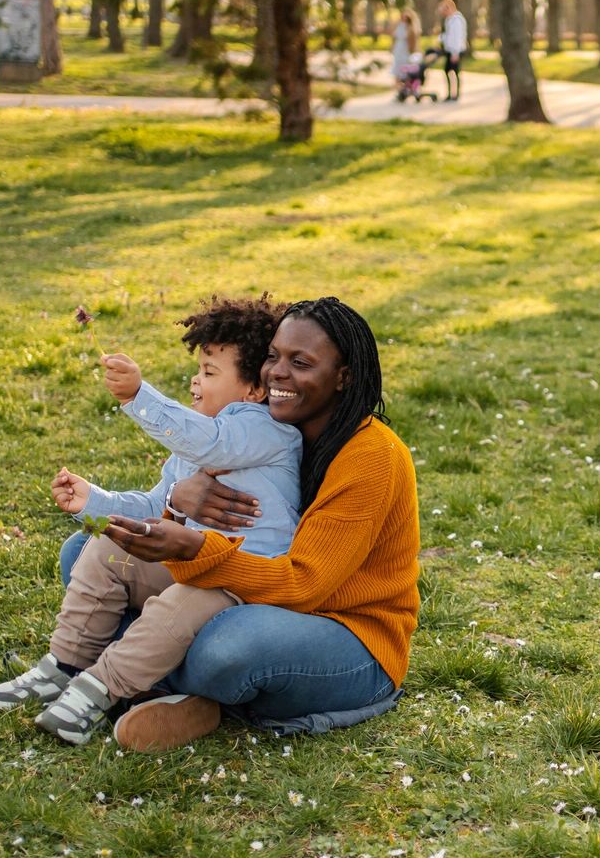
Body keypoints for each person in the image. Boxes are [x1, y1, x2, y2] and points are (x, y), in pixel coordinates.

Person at [78, 297, 419, 753]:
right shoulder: (270, 429)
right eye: (273, 357)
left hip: (345, 633)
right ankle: (177, 692)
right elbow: (183, 520)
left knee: (227, 649)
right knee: (88, 555)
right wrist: (179, 503)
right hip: (254, 599)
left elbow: (304, 585)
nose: (276, 372)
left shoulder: (371, 456)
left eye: (300, 362)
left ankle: (141, 670)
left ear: (344, 377)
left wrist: (193, 550)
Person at [0, 296, 300, 746]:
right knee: (108, 549)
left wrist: (139, 396)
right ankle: (64, 665)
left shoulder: (262, 429)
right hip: (195, 562)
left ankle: (98, 690)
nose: (195, 381)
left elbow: (211, 444)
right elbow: (158, 507)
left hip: (241, 582)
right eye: (198, 369)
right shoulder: (200, 437)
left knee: (179, 606)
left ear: (254, 389)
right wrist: (92, 501)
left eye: (210, 373)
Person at [435, 0, 467, 101]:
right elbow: (448, 35)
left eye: (444, 10)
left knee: (455, 71)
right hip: (449, 50)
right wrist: (440, 39)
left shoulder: (457, 20)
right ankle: (450, 93)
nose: (443, 14)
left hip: (455, 51)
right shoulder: (449, 20)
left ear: (449, 8)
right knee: (448, 71)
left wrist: (455, 53)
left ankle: (455, 94)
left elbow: (457, 37)